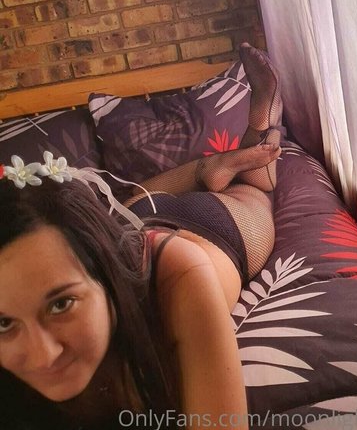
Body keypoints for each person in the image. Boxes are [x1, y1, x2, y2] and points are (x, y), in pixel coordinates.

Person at [0, 44, 282, 430]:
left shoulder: (182, 275)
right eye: (3, 324)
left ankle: (250, 140)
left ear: (104, 274)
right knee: (128, 201)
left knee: (259, 190)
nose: (42, 356)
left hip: (213, 229)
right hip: (134, 216)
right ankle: (212, 166)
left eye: (61, 304)